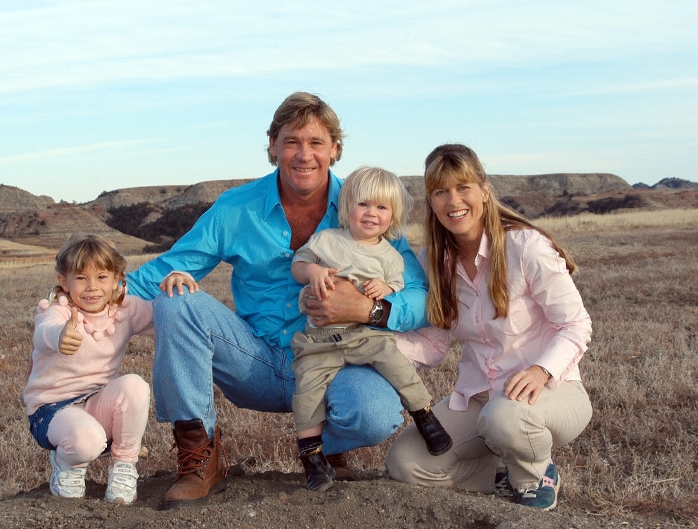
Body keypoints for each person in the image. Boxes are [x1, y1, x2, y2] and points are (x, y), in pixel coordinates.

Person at [126, 92, 429, 510]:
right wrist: (83, 295)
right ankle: (200, 457)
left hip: (337, 359)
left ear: (335, 149)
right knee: (175, 301)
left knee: (376, 414)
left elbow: (419, 295)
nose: (304, 155)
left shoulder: (367, 205)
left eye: (316, 142)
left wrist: (368, 309)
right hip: (256, 361)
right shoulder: (236, 207)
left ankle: (322, 450)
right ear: (272, 146)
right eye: (291, 142)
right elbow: (166, 268)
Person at [384, 144, 593, 512]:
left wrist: (541, 370)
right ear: (431, 202)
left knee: (505, 418)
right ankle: (500, 476)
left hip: (551, 391)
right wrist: (373, 343)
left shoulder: (526, 247)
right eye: (441, 191)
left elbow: (576, 325)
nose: (454, 201)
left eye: (463, 187)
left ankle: (536, 477)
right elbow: (433, 344)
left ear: (484, 190)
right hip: (479, 398)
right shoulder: (431, 261)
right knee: (406, 462)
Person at [290, 166, 451, 492]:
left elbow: (398, 286)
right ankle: (313, 459)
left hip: (364, 334)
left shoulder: (391, 256)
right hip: (318, 339)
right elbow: (298, 265)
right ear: (347, 206)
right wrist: (312, 272)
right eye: (363, 204)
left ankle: (425, 416)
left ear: (393, 216)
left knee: (396, 364)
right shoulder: (326, 240)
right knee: (306, 392)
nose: (371, 213)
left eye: (381, 207)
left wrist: (384, 288)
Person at [24, 234, 168, 504]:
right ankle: (67, 464)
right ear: (64, 281)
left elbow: (166, 317)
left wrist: (178, 285)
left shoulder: (124, 310)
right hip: (52, 411)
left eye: (101, 277)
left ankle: (124, 466)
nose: (92, 287)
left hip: (97, 404)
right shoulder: (58, 311)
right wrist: (60, 336)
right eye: (81, 278)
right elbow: (44, 332)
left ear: (116, 280)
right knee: (87, 440)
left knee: (135, 386)